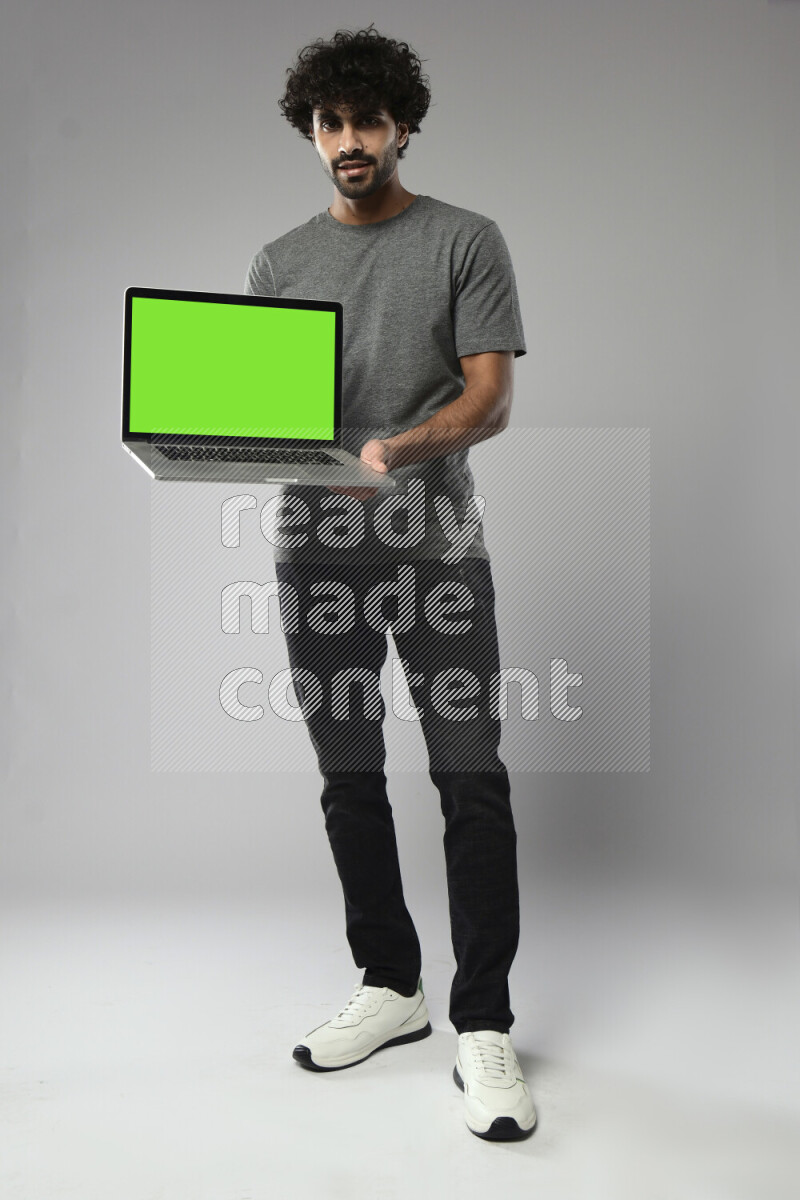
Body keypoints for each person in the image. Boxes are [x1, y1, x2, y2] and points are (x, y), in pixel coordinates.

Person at [245, 25, 536, 1142]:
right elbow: (267, 411)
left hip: (435, 552)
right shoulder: (277, 261)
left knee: (469, 778)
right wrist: (206, 440)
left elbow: (487, 401)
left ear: (401, 126)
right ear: (311, 133)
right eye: (330, 124)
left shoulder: (465, 240)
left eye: (368, 121)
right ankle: (392, 987)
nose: (349, 141)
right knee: (348, 778)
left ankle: (482, 1023)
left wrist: (394, 453)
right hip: (311, 550)